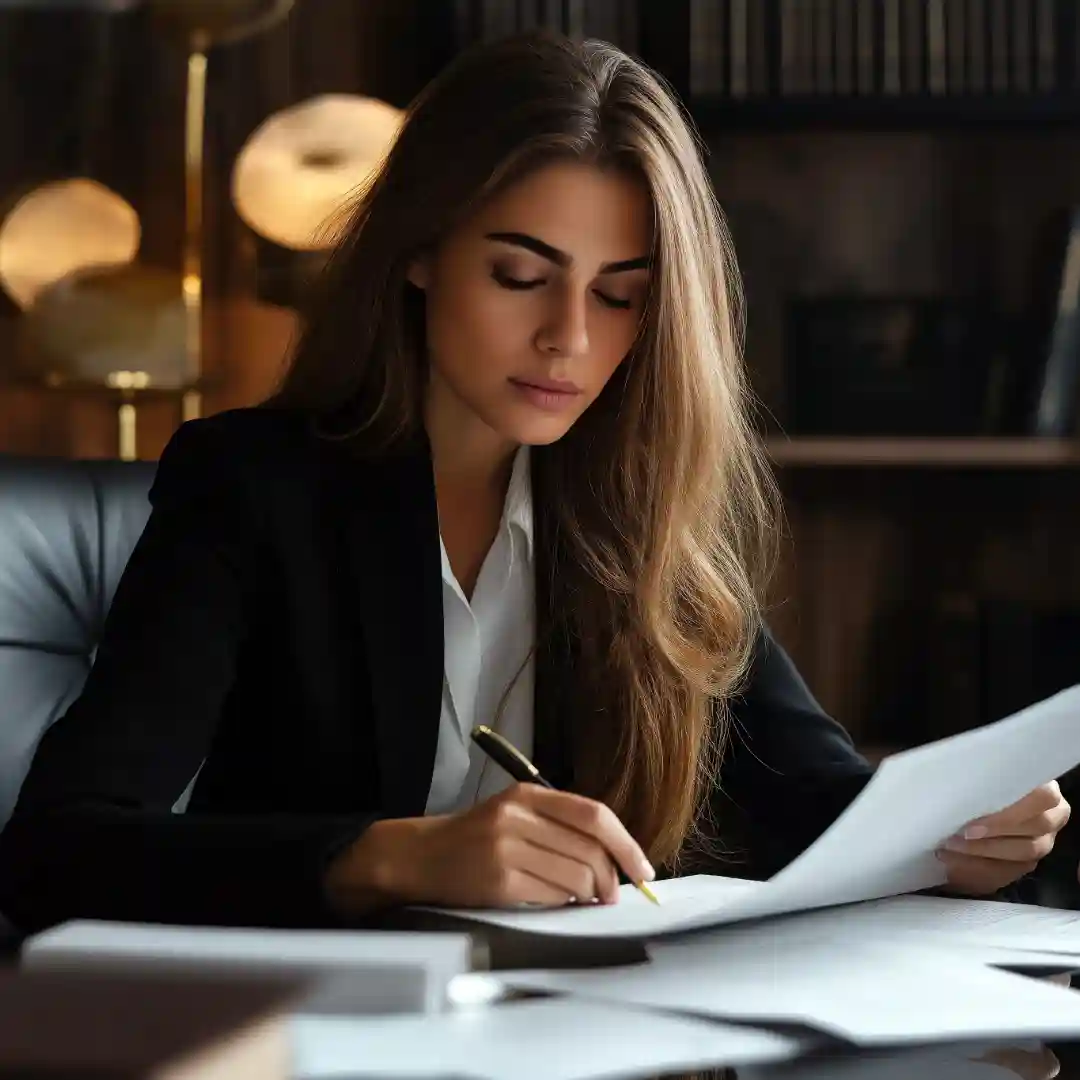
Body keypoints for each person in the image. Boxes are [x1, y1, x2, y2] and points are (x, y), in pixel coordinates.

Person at [0, 33, 1069, 934]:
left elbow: (820, 809)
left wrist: (955, 842)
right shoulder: (253, 487)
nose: (568, 338)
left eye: (621, 297)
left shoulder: (641, 515)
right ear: (419, 252)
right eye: (521, 276)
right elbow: (57, 854)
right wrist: (389, 858)